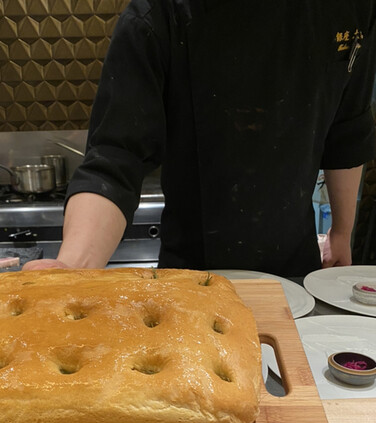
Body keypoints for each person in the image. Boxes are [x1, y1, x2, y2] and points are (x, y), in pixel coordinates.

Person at [24, 0, 376, 277]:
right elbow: (114, 161)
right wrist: (72, 267)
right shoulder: (159, 13)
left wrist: (341, 233)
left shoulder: (352, 6)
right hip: (192, 275)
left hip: (296, 269)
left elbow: (347, 128)